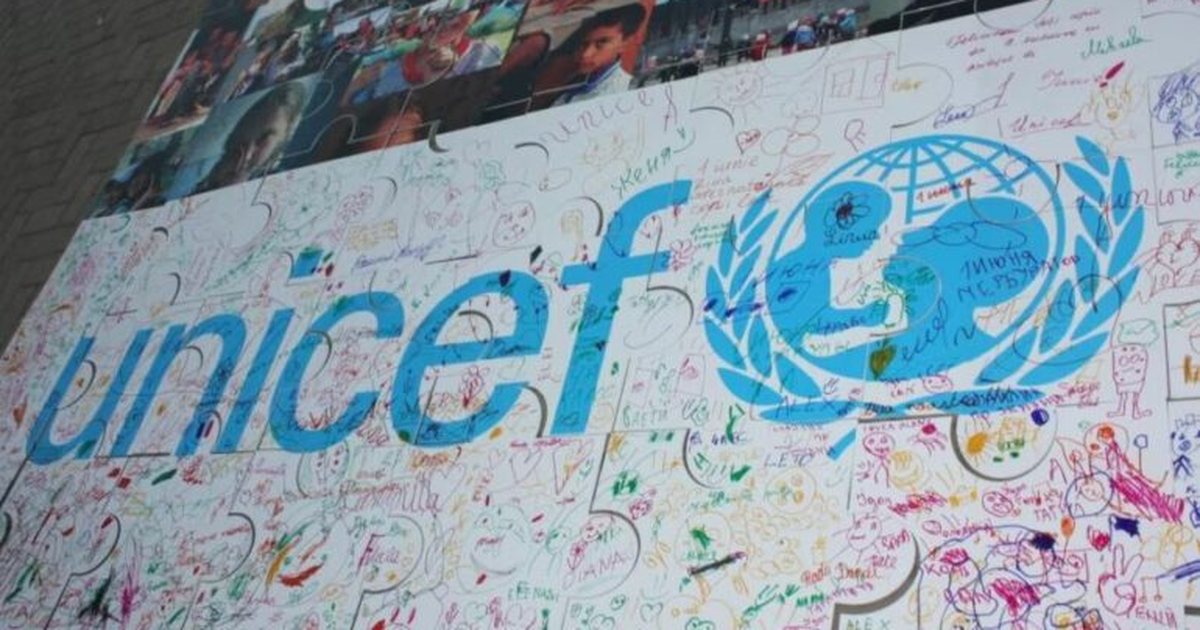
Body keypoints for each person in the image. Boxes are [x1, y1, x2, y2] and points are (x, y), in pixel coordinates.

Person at [197, 81, 309, 192]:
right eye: (244, 138)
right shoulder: (211, 174)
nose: (248, 153)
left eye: (264, 139)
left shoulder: (283, 184)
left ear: (284, 139)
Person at [552, 4, 645, 106]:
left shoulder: (620, 92)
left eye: (601, 43)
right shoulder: (573, 77)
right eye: (584, 43)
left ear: (625, 43)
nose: (585, 54)